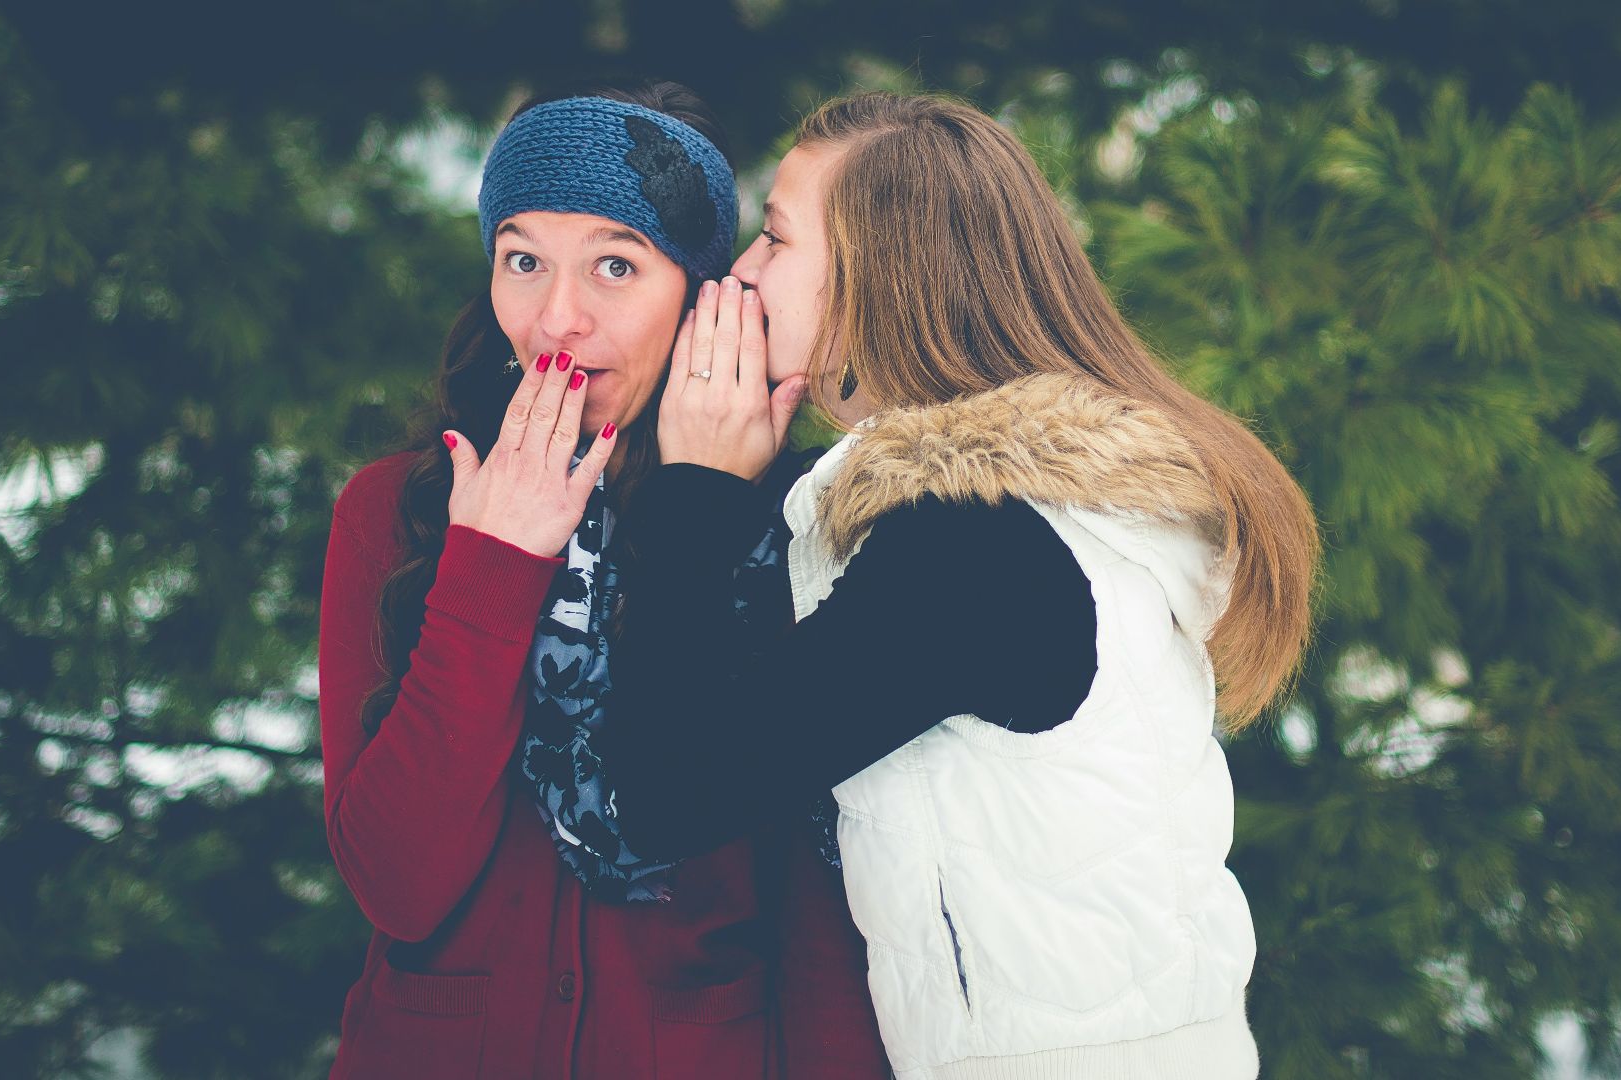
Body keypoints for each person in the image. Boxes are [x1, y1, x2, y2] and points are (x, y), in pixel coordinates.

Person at [595, 91, 1321, 1079]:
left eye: (773, 240)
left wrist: (693, 496)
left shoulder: (971, 553)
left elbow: (667, 797)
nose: (741, 274)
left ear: (870, 286)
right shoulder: (1057, 513)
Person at [318, 81, 886, 1079]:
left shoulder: (792, 524)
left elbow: (818, 921)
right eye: (523, 260)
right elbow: (397, 885)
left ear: (702, 295)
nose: (557, 317)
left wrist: (705, 509)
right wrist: (492, 569)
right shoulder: (395, 513)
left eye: (616, 266)